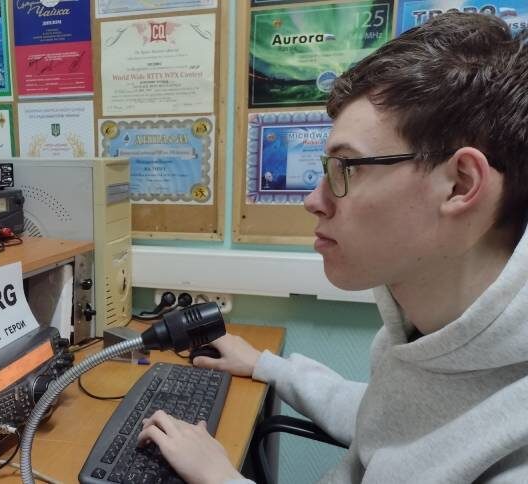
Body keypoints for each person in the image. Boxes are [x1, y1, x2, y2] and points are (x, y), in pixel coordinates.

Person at [137, 12, 528, 483]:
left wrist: (223, 479)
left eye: (347, 168)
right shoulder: (423, 327)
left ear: (459, 184)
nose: (313, 201)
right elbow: (391, 423)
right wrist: (267, 366)